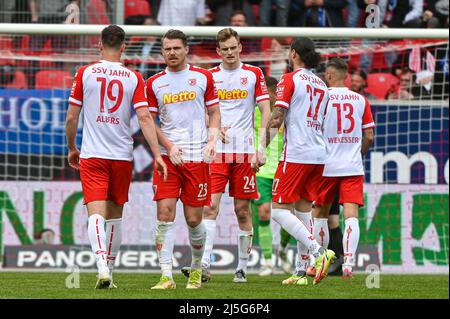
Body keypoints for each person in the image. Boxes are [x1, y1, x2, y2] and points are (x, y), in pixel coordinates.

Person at [65, 24, 167, 289]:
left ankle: (102, 268)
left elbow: (71, 117)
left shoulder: (85, 73)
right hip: (122, 156)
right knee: (115, 216)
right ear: (123, 47)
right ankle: (109, 269)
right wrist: (156, 153)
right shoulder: (134, 78)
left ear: (99, 44)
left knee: (95, 213)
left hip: (93, 154)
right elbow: (144, 117)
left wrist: (72, 147)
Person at [181, 27, 271, 283]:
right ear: (218, 51)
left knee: (243, 211)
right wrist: (214, 127)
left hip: (244, 153)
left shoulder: (254, 74)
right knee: (210, 207)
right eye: (225, 49)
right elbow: (202, 110)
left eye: (234, 47)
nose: (230, 52)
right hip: (217, 153)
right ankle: (205, 265)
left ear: (240, 47)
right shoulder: (210, 76)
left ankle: (242, 267)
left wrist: (261, 147)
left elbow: (266, 109)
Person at [146, 29, 221, 290]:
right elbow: (149, 121)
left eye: (176, 48)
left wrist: (212, 141)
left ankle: (197, 270)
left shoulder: (203, 77)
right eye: (167, 49)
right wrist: (168, 146)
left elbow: (214, 112)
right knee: (164, 214)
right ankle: (166, 276)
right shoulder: (154, 82)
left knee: (193, 219)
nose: (172, 53)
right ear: (162, 51)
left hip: (196, 158)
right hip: (168, 160)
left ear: (186, 49)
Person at [259, 37, 335, 286]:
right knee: (303, 213)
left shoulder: (290, 79)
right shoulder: (322, 85)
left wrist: (261, 148)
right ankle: (302, 271)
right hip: (318, 154)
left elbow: (277, 117)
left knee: (279, 212)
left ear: (293, 54)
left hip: (297, 154)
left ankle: (319, 253)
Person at [312, 58, 375, 278]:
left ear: (328, 76)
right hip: (352, 166)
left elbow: (313, 130)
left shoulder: (321, 99)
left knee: (319, 214)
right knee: (351, 215)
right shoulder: (360, 100)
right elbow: (369, 135)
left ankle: (319, 260)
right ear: (346, 76)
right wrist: (358, 153)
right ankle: (348, 263)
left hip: (326, 165)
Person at [250, 76, 293, 276]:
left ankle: (283, 249)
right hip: (262, 169)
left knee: (288, 215)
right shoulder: (256, 112)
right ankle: (267, 261)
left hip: (284, 167)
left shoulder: (286, 111)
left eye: (269, 95)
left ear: (276, 92)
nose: (265, 100)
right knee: (264, 213)